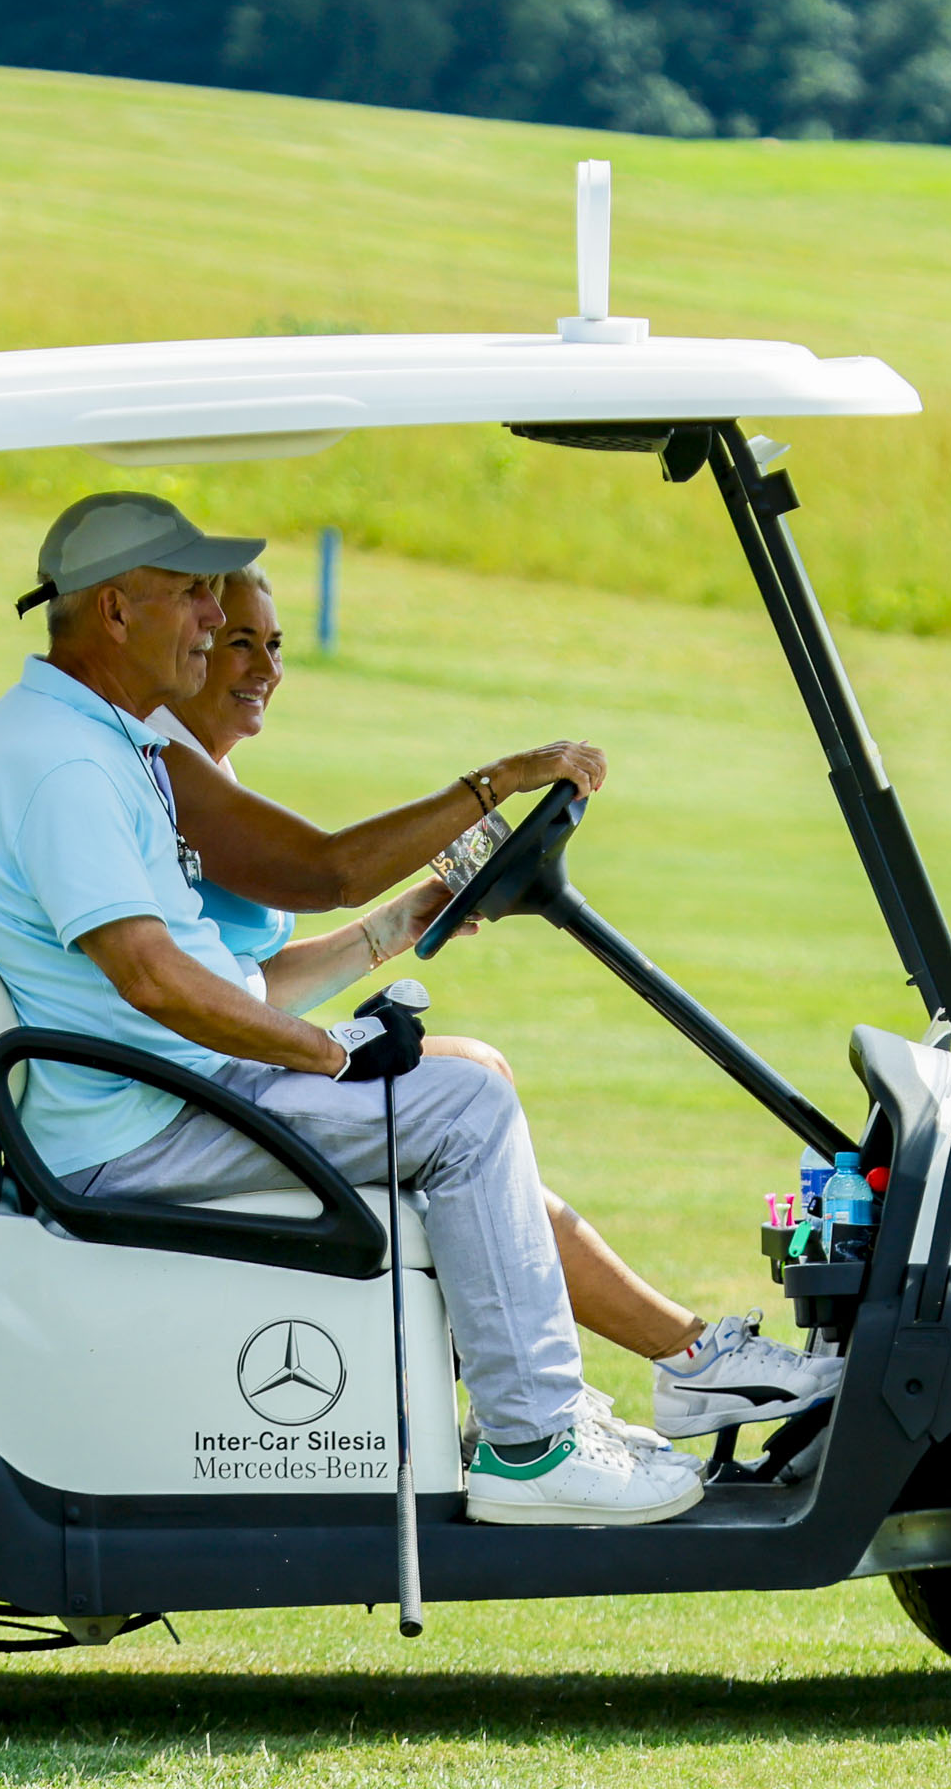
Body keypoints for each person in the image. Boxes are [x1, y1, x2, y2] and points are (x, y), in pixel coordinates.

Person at [0, 493, 700, 1527]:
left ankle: (535, 1409)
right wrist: (330, 1059)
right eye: (194, 597)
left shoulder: (92, 740)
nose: (212, 624)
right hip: (144, 1123)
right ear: (116, 611)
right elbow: (153, 979)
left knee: (456, 1089)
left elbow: (215, 977)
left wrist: (387, 940)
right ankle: (535, 1442)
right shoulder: (66, 764)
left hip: (158, 1093)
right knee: (463, 1107)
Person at [149, 563, 840, 1446]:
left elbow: (247, 982)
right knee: (469, 1095)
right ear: (192, 639)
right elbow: (327, 870)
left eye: (274, 644)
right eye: (237, 641)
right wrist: (498, 780)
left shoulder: (200, 769)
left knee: (480, 1074)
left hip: (225, 1065)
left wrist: (396, 925)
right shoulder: (171, 770)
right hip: (201, 1094)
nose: (265, 668)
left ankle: (639, 1365)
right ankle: (678, 1363)